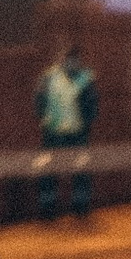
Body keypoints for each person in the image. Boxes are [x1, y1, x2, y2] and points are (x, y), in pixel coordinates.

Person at [34, 42, 98, 221]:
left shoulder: (85, 78)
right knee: (50, 170)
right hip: (55, 132)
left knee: (80, 170)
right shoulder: (49, 77)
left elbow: (92, 104)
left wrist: (87, 123)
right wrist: (43, 120)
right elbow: (39, 101)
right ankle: (49, 209)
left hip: (75, 132)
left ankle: (79, 208)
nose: (71, 63)